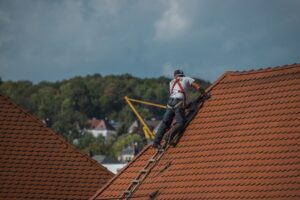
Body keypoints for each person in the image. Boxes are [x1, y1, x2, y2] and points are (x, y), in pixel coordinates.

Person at [152, 69, 205, 149]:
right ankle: (169, 136)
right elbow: (198, 87)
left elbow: (175, 94)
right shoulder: (187, 79)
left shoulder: (171, 82)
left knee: (165, 123)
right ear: (182, 75)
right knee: (181, 122)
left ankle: (156, 142)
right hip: (179, 101)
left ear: (175, 76)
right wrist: (205, 94)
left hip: (170, 102)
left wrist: (185, 105)